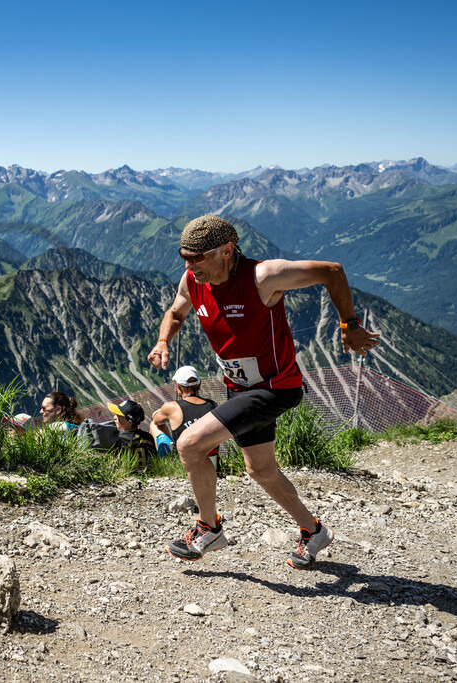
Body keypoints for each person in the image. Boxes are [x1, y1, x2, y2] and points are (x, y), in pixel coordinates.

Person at [146, 215, 380, 570]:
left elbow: (332, 271)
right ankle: (314, 531)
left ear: (227, 251)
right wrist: (164, 340)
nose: (190, 266)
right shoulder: (192, 279)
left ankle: (209, 529)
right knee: (260, 470)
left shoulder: (263, 277)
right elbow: (176, 312)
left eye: (197, 258)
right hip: (239, 388)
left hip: (274, 387)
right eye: (185, 258)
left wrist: (349, 324)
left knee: (190, 444)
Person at [150, 366, 219, 469]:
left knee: (154, 425)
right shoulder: (212, 405)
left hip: (183, 466)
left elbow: (156, 421)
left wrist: (162, 411)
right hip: (211, 465)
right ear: (199, 383)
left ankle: (158, 466)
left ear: (178, 386)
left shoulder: (171, 407)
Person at [107, 399, 157, 471]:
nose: (114, 417)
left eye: (118, 416)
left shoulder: (120, 439)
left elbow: (114, 463)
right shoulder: (148, 437)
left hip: (129, 474)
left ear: (130, 422)